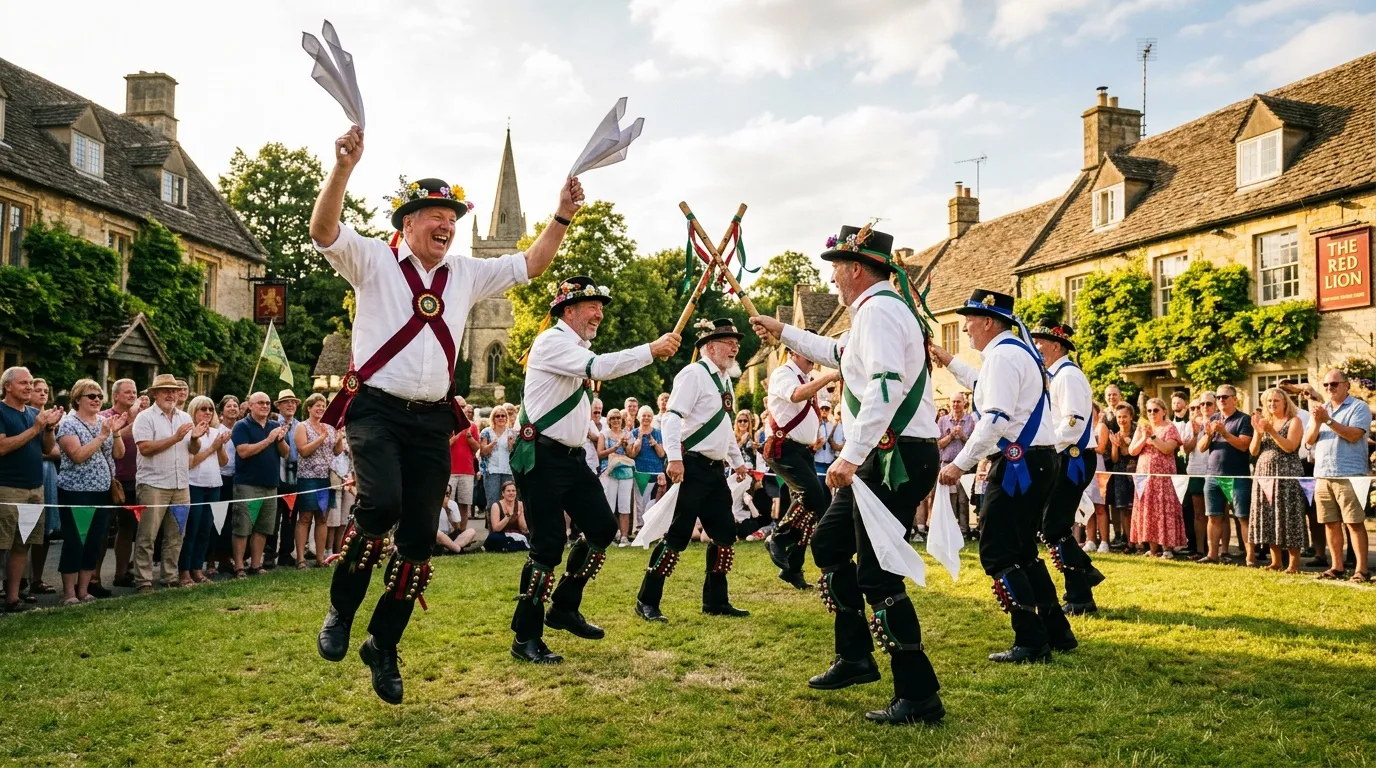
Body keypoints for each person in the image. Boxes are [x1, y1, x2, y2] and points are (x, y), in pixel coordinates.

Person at [309, 121, 584, 704]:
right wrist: (343, 168)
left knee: (416, 541)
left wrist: (560, 215)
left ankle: (384, 645)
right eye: (435, 214)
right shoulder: (372, 261)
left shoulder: (464, 272)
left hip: (433, 418)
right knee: (379, 505)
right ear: (407, 223)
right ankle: (341, 609)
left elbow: (530, 264)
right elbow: (323, 229)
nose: (446, 223)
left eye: (453, 217)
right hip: (376, 411)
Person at [753, 224, 944, 726]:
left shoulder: (879, 312)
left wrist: (851, 454)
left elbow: (883, 387)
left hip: (892, 456)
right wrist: (783, 332)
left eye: (837, 267)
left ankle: (918, 693)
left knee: (878, 573)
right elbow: (838, 356)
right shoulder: (871, 314)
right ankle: (856, 657)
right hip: (890, 453)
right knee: (830, 546)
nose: (833, 278)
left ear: (857, 268)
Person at [508, 275, 678, 663]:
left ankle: (564, 607)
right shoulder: (553, 342)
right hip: (542, 458)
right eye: (592, 305)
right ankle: (525, 637)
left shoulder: (574, 347)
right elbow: (600, 368)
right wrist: (651, 350)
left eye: (601, 306)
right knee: (547, 547)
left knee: (602, 529)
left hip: (570, 457)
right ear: (568, 311)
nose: (599, 312)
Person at [931, 289, 1072, 666]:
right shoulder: (1017, 352)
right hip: (1037, 460)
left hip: (1018, 465)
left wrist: (959, 463)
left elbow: (993, 417)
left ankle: (1030, 638)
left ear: (989, 322)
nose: (965, 328)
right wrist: (948, 361)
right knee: (1024, 550)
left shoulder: (1002, 357)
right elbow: (984, 386)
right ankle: (1057, 631)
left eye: (970, 320)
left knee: (997, 551)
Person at [636, 317, 751, 625]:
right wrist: (674, 458)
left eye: (736, 342)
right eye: (729, 342)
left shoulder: (725, 380)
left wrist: (737, 461)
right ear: (710, 347)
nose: (735, 346)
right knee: (677, 535)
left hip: (714, 470)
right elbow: (673, 417)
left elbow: (723, 427)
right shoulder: (693, 374)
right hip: (692, 465)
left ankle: (716, 601)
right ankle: (647, 600)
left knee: (724, 532)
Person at [1028, 324, 1104, 614]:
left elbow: (1074, 421)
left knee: (1054, 526)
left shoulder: (1068, 375)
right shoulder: (1056, 375)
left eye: (1039, 343)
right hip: (1065, 455)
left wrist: (1046, 443)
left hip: (1071, 456)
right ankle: (1084, 575)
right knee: (1053, 525)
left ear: (1056, 346)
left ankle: (1080, 595)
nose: (1036, 348)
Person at [761, 342, 838, 590]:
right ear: (793, 352)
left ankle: (792, 569)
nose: (813, 358)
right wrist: (827, 377)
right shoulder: (783, 373)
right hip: (783, 448)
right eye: (807, 351)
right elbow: (796, 394)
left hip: (802, 451)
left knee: (820, 500)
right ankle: (777, 536)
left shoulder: (807, 377)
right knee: (813, 495)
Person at [131, 374, 205, 593]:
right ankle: (143, 581)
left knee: (176, 535)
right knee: (147, 535)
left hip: (181, 483)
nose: (171, 394)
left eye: (174, 390)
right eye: (166, 390)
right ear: (154, 394)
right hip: (153, 483)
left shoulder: (184, 417)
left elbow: (193, 450)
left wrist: (193, 439)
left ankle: (169, 577)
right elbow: (145, 449)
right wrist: (175, 437)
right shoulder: (145, 417)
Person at [54, 379, 124, 604]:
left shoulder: (104, 421)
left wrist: (115, 433)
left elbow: (119, 454)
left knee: (94, 541)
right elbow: (78, 455)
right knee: (75, 541)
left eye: (99, 396)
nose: (96, 400)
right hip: (76, 491)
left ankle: (84, 591)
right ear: (77, 399)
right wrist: (102, 436)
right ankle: (69, 594)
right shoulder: (69, 424)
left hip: (102, 491)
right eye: (91, 396)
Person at [1304, 370, 1371, 582]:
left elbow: (1354, 435)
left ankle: (1362, 570)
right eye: (1326, 385)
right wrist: (1317, 422)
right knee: (1330, 523)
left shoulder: (1359, 407)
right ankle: (1337, 567)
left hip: (1350, 473)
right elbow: (1307, 442)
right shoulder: (1320, 410)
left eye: (1334, 384)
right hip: (1323, 474)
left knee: (1354, 523)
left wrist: (1329, 421)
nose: (1329, 389)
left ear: (1346, 385)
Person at [230, 392, 290, 577]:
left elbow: (285, 453)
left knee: (263, 527)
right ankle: (239, 566)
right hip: (248, 483)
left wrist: (279, 439)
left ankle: (256, 565)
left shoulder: (274, 425)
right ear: (250, 405)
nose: (265, 406)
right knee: (243, 527)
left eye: (267, 403)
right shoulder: (242, 426)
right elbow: (244, 452)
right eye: (260, 403)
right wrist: (269, 440)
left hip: (270, 484)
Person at [1248, 388, 1306, 573]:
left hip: (1286, 474)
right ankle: (1276, 561)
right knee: (1270, 516)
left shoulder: (1294, 421)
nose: (1272, 404)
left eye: (1276, 401)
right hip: (1264, 474)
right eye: (1268, 401)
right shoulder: (1266, 422)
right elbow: (1253, 451)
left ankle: (1293, 563)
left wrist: (1271, 431)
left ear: (1285, 403)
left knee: (1288, 516)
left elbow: (1290, 447)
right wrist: (1258, 433)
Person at [1198, 384, 1255, 566]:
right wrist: (1209, 434)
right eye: (1219, 397)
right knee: (1213, 516)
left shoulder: (1244, 420)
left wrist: (1224, 433)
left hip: (1237, 476)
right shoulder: (1212, 418)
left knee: (1243, 517)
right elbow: (1201, 447)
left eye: (1225, 397)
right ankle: (1212, 554)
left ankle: (1250, 558)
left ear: (1234, 399)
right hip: (1212, 475)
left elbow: (1244, 445)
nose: (1221, 400)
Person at [181, 395, 230, 585]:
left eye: (210, 409)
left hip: (214, 484)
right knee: (191, 530)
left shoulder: (215, 432)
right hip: (195, 484)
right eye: (203, 409)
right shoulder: (190, 433)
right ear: (193, 411)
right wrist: (212, 448)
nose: (208, 412)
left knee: (205, 530)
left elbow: (224, 462)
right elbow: (191, 463)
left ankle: (197, 569)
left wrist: (220, 446)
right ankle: (185, 571)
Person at [1128, 398, 1184, 558]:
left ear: (1164, 411)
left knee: (1164, 510)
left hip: (1164, 477)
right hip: (1144, 477)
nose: (1152, 413)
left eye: (1156, 410)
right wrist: (1142, 437)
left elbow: (1167, 449)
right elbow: (1132, 451)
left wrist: (1152, 437)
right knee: (1149, 510)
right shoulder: (1142, 427)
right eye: (1149, 410)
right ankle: (1152, 549)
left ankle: (1167, 549)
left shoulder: (1170, 428)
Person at [101, 379, 142, 590]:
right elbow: (107, 440)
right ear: (115, 395)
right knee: (102, 529)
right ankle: (93, 578)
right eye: (127, 392)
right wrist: (132, 422)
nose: (132, 395)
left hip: (134, 478)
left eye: (134, 392)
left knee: (127, 528)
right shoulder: (105, 416)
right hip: (111, 480)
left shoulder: (141, 416)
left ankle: (121, 572)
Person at [295, 393, 341, 570]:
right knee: (305, 517)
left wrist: (337, 440)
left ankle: (320, 558)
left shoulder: (329, 427)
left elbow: (336, 452)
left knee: (322, 518)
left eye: (323, 406)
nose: (321, 409)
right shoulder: (302, 426)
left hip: (325, 478)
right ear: (309, 408)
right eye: (317, 406)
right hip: (308, 478)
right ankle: (300, 559)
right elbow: (303, 451)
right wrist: (321, 438)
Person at [26, 377, 59, 599]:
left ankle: (36, 578)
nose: (42, 394)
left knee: (44, 530)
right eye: (38, 390)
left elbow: (56, 452)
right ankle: (15, 580)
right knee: (21, 531)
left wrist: (38, 452)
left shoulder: (52, 419)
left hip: (48, 475)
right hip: (26, 475)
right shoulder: (26, 417)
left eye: (46, 390)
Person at [936, 393, 976, 535]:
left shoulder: (970, 420)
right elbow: (938, 444)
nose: (955, 405)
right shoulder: (942, 421)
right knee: (949, 499)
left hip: (964, 466)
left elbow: (974, 445)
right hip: (946, 464)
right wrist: (951, 436)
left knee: (963, 500)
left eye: (958, 402)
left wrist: (963, 436)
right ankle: (949, 530)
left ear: (964, 403)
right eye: (953, 402)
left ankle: (964, 530)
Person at [270, 390, 301, 568]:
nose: (290, 405)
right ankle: (269, 552)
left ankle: (286, 553)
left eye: (293, 402)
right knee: (272, 518)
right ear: (279, 405)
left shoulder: (300, 426)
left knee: (290, 518)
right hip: (276, 475)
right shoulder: (273, 424)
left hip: (294, 476)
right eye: (286, 402)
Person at [597, 409, 636, 546]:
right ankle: (611, 535)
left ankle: (624, 537)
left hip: (626, 472)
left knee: (625, 505)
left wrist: (625, 446)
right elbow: (600, 454)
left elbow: (632, 455)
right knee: (609, 506)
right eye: (612, 418)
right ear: (608, 420)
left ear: (622, 419)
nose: (616, 420)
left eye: (618, 417)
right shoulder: (604, 434)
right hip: (609, 472)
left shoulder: (628, 434)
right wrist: (615, 447)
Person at [627, 405, 666, 535]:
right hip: (641, 471)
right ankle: (640, 528)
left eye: (649, 415)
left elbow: (661, 454)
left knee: (658, 502)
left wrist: (655, 444)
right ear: (639, 417)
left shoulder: (657, 433)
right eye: (643, 415)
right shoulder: (633, 433)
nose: (646, 418)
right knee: (641, 502)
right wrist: (638, 442)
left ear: (652, 418)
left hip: (657, 472)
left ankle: (656, 529)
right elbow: (632, 454)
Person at [1107, 404, 1137, 552]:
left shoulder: (1137, 432)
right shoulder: (1116, 434)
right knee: (1124, 509)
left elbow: (1130, 454)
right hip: (1120, 473)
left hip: (1136, 474)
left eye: (1124, 416)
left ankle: (1139, 542)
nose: (1122, 420)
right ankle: (1129, 541)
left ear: (1131, 416)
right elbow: (1114, 459)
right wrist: (1114, 445)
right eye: (1119, 417)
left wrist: (1123, 446)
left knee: (1136, 508)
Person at [449, 396, 480, 528]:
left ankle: (462, 532)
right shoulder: (447, 424)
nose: (461, 409)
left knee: (464, 504)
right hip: (450, 470)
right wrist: (456, 435)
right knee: (448, 504)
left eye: (463, 406)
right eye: (459, 406)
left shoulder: (472, 426)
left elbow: (477, 448)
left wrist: (469, 438)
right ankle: (451, 532)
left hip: (467, 471)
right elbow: (445, 446)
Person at [479, 405, 515, 513]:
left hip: (508, 471)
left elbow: (515, 454)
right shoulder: (486, 432)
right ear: (493, 418)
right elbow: (483, 452)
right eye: (497, 416)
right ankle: (493, 529)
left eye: (503, 416)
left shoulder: (512, 432)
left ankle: (507, 528)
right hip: (492, 471)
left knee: (508, 501)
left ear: (506, 418)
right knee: (493, 502)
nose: (500, 418)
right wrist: (491, 445)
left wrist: (510, 446)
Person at [436, 486, 476, 554]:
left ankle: (451, 549)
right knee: (439, 535)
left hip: (450, 534)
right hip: (437, 535)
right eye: (444, 493)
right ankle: (457, 549)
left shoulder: (453, 504)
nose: (446, 496)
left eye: (447, 493)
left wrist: (447, 511)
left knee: (471, 531)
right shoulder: (432, 504)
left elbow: (457, 528)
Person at [815, 404, 841, 475]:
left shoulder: (834, 425)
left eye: (826, 408)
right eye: (822, 408)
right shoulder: (815, 423)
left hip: (830, 461)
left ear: (830, 411)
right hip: (817, 461)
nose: (824, 410)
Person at [584, 399, 604, 472]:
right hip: (587, 460)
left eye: (600, 408)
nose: (598, 410)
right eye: (596, 408)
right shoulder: (585, 421)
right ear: (590, 408)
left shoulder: (605, 422)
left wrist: (596, 438)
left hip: (602, 462)